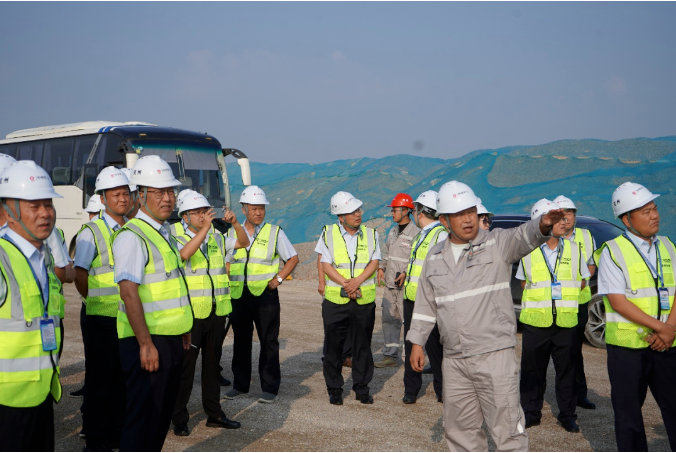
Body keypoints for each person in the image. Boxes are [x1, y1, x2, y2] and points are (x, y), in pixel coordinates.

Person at [408, 180, 565, 452]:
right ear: (444, 220)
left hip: (494, 355)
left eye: (471, 211)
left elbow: (522, 236)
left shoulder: (496, 244)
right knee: (460, 432)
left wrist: (542, 225)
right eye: (459, 214)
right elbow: (425, 304)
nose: (468, 219)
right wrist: (417, 343)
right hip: (455, 360)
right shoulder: (434, 257)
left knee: (508, 431)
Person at [111, 156, 193, 451]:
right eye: (159, 192)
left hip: (168, 338)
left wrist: (183, 327)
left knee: (158, 419)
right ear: (141, 195)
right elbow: (129, 293)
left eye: (170, 191)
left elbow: (172, 284)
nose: (168, 198)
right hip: (147, 341)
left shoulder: (164, 232)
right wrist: (145, 344)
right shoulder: (132, 237)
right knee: (143, 420)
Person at [594, 182, 676, 451]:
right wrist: (662, 328)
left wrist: (669, 328)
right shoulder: (613, 251)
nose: (655, 216)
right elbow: (618, 302)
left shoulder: (668, 246)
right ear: (627, 220)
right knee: (628, 416)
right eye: (645, 212)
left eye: (654, 209)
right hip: (628, 349)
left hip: (667, 344)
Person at [0, 160, 66, 451]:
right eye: (34, 206)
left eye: (48, 204)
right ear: (8, 211)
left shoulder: (44, 256)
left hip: (41, 391)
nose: (45, 213)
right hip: (7, 401)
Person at [171, 190, 248, 436]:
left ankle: (214, 414)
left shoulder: (216, 236)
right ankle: (178, 417)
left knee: (213, 366)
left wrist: (235, 224)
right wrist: (205, 229)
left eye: (205, 211)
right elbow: (184, 255)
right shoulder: (174, 235)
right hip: (191, 314)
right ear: (184, 216)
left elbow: (243, 243)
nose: (204, 216)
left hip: (216, 311)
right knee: (186, 368)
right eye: (197, 213)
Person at [516, 199, 590, 433]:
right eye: (556, 219)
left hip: (566, 321)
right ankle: (531, 413)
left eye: (563, 218)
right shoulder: (527, 250)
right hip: (536, 321)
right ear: (542, 223)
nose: (563, 222)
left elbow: (582, 281)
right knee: (532, 371)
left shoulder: (575, 249)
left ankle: (568, 415)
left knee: (566, 371)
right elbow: (523, 282)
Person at [73, 166, 131, 451]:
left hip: (125, 319)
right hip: (101, 319)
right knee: (99, 382)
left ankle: (117, 434)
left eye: (125, 193)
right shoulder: (91, 231)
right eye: (115, 194)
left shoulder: (131, 229)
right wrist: (93, 300)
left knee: (122, 379)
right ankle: (96, 440)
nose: (122, 199)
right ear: (103, 198)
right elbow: (80, 274)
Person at [224, 185, 298, 404]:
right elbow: (226, 262)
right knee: (241, 340)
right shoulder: (231, 233)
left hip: (265, 295)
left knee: (268, 340)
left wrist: (279, 279)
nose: (258, 212)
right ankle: (240, 385)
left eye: (261, 208)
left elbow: (292, 258)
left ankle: (270, 387)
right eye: (254, 208)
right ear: (244, 209)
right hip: (239, 294)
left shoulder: (275, 232)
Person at [316, 191, 381, 405]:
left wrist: (357, 281)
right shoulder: (328, 233)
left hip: (363, 300)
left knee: (362, 346)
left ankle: (362, 388)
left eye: (358, 210)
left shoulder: (371, 234)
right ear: (340, 217)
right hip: (336, 301)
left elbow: (374, 262)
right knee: (333, 347)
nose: (358, 214)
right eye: (352, 211)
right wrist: (347, 284)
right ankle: (334, 389)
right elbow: (325, 264)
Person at [401, 190, 447, 404]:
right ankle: (411, 389)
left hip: (430, 300)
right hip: (412, 298)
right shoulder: (421, 235)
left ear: (420, 212)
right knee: (412, 344)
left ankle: (442, 389)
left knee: (434, 347)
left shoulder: (440, 235)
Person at [553, 195, 597, 410]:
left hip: (578, 302)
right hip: (553, 304)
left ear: (574, 215)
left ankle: (579, 394)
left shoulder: (586, 236)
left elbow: (591, 265)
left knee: (574, 350)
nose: (565, 217)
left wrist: (580, 281)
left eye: (569, 212)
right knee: (554, 351)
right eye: (561, 214)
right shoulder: (548, 238)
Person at [374, 193, 419, 368]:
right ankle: (390, 356)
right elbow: (388, 254)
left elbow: (417, 259)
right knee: (389, 320)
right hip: (390, 286)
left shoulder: (416, 233)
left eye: (395, 210)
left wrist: (406, 273)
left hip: (405, 287)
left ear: (406, 211)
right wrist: (381, 267)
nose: (392, 213)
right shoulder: (392, 231)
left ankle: (410, 357)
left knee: (409, 322)